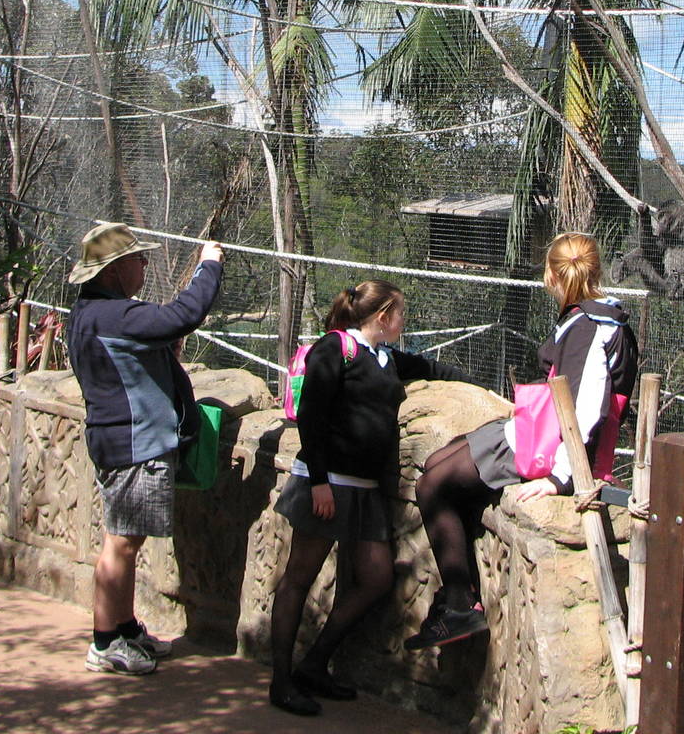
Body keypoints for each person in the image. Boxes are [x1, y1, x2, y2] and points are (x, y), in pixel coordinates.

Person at [405, 232, 638, 651]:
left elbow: (585, 412)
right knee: (438, 461)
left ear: (550, 274)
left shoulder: (593, 328)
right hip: (540, 429)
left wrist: (559, 480)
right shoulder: (585, 316)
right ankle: (458, 588)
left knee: (431, 486)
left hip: (556, 450)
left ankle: (459, 605)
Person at [268, 280, 467, 717]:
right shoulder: (335, 349)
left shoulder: (385, 357)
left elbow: (433, 371)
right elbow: (311, 416)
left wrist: (486, 392)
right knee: (299, 577)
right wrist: (319, 481)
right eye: (400, 313)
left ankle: (315, 664)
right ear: (383, 317)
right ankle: (281, 680)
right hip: (327, 484)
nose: (403, 321)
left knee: (376, 578)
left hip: (365, 489)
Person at [65, 221, 225, 676]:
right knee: (120, 543)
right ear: (115, 270)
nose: (144, 266)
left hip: (118, 439)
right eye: (138, 259)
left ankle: (124, 627)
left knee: (125, 540)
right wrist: (208, 267)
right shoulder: (115, 316)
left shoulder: (90, 313)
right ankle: (104, 643)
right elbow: (183, 316)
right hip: (132, 444)